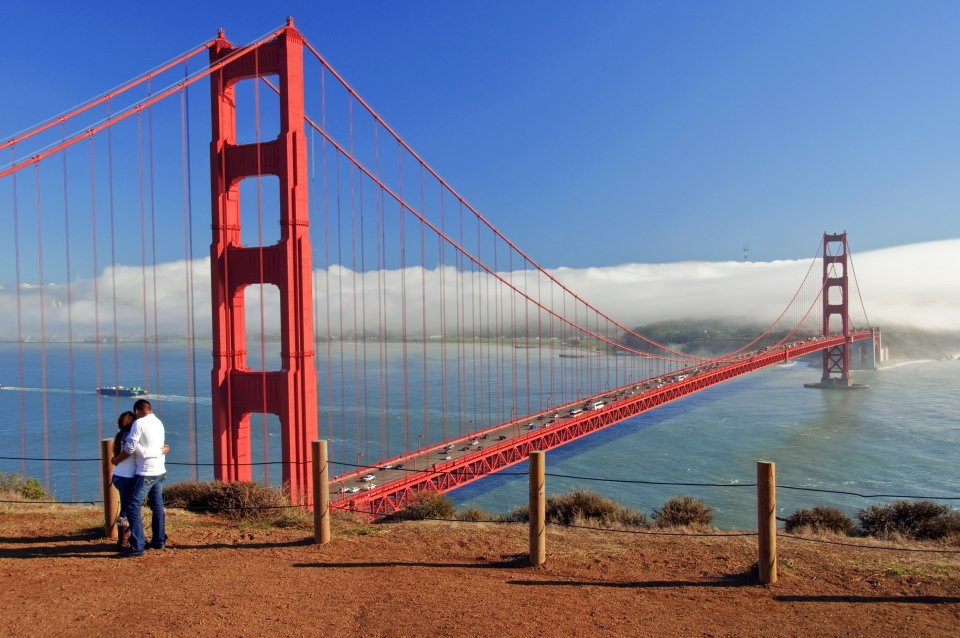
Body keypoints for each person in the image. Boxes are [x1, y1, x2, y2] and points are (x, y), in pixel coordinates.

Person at [116, 399, 167, 557]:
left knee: (132, 507)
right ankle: (159, 541)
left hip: (146, 472)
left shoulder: (139, 423)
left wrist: (115, 460)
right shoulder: (159, 422)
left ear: (137, 410)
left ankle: (137, 546)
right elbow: (158, 446)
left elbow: (130, 448)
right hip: (160, 470)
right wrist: (161, 451)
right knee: (157, 506)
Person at [109, 411, 137, 550]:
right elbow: (133, 452)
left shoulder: (121, 436)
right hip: (127, 478)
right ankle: (124, 541)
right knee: (127, 509)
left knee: (128, 507)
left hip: (119, 476)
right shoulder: (129, 436)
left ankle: (131, 537)